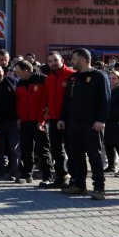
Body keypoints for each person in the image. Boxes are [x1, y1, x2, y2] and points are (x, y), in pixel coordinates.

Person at [59, 48, 110, 200]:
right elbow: (67, 100)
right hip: (74, 124)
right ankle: (79, 186)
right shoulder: (73, 78)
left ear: (82, 59)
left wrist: (101, 120)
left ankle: (99, 188)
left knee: (94, 156)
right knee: (76, 155)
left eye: (74, 59)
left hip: (92, 124)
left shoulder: (98, 76)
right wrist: (62, 118)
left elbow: (106, 100)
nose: (72, 62)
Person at [14, 60, 53, 187]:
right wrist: (19, 117)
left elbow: (47, 101)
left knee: (43, 150)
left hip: (39, 121)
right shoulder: (20, 82)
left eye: (19, 72)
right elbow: (19, 102)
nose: (17, 74)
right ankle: (27, 174)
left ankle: (47, 176)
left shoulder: (43, 80)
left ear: (26, 70)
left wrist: (43, 120)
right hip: (25, 121)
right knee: (26, 149)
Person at [44, 51, 74, 188]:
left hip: (69, 119)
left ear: (62, 60)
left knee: (71, 149)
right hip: (53, 119)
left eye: (55, 60)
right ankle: (61, 176)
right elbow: (47, 98)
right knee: (56, 150)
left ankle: (75, 180)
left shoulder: (71, 75)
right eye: (50, 61)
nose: (53, 63)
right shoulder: (49, 78)